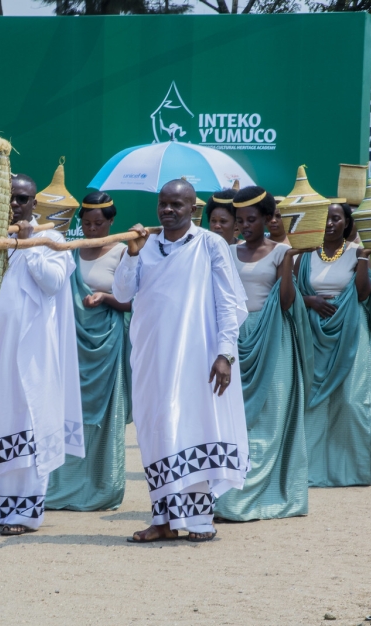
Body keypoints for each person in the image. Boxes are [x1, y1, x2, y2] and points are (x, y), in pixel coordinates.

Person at [113, 179, 248, 543]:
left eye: (177, 204)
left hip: (197, 357)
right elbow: (123, 293)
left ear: (193, 209)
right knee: (157, 432)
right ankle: (164, 520)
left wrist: (225, 354)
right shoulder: (146, 245)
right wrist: (133, 253)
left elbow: (230, 303)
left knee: (193, 428)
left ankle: (200, 521)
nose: (168, 210)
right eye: (163, 203)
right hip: (151, 358)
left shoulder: (210, 244)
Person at [0, 173, 83, 536]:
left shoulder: (51, 239)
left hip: (33, 352)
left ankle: (25, 514)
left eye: (23, 199)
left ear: (34, 204)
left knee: (28, 422)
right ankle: (5, 504)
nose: (16, 204)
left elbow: (53, 282)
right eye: (11, 197)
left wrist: (28, 246)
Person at [214, 186, 308, 522]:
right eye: (240, 220)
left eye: (251, 219)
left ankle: (257, 498)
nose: (244, 226)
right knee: (232, 419)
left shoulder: (280, 252)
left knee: (269, 419)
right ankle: (228, 496)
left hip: (272, 339)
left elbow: (285, 302)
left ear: (268, 219)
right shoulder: (226, 251)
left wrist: (286, 262)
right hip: (233, 339)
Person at [46, 192, 131, 512]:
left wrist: (105, 298)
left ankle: (102, 487)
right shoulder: (69, 251)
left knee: (105, 417)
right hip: (71, 345)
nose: (93, 229)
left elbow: (134, 299)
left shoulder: (124, 252)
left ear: (111, 222)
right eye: (87, 223)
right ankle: (62, 487)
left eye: (99, 223)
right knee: (67, 413)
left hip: (107, 346)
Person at [296, 202, 371, 486]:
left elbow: (362, 293)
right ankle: (313, 468)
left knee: (352, 400)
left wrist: (362, 259)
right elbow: (292, 293)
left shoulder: (356, 252)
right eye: (325, 218)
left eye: (336, 218)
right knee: (315, 402)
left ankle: (354, 469)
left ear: (347, 223)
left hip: (350, 329)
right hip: (314, 332)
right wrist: (310, 301)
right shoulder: (305, 254)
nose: (330, 223)